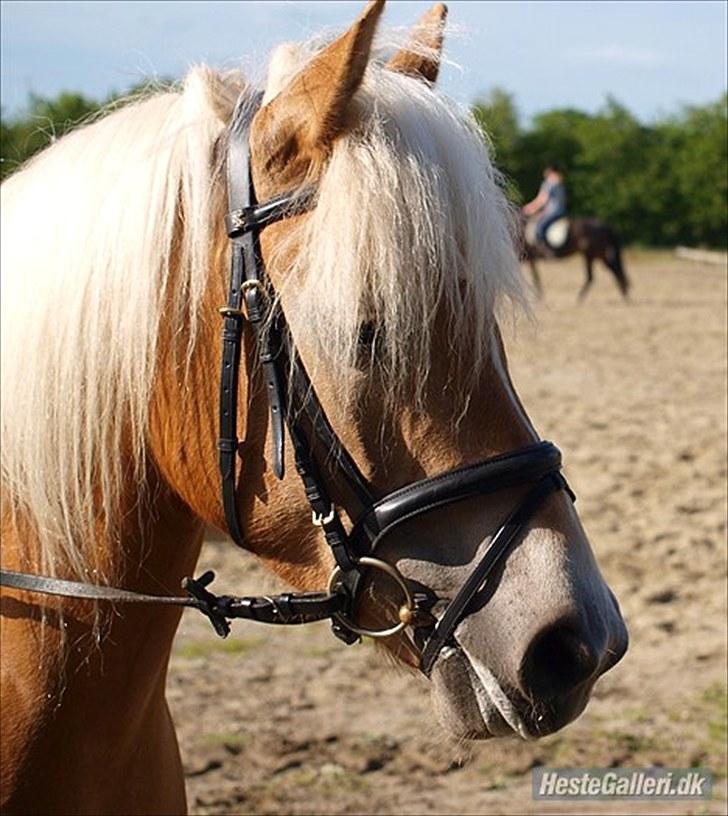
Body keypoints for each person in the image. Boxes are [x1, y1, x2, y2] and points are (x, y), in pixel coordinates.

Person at [522, 163, 568, 254]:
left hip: (553, 211)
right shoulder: (560, 182)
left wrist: (530, 208)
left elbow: (542, 200)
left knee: (539, 227)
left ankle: (545, 249)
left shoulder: (550, 183)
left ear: (550, 172)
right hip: (561, 211)